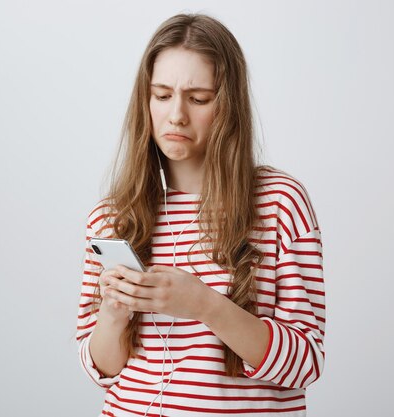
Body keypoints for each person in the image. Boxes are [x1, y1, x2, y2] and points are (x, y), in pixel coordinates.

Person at [76, 13, 325, 417]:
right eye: (161, 95)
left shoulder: (279, 202)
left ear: (228, 105)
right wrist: (113, 313)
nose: (176, 115)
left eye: (198, 98)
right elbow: (101, 370)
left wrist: (206, 305)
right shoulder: (112, 216)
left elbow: (306, 363)